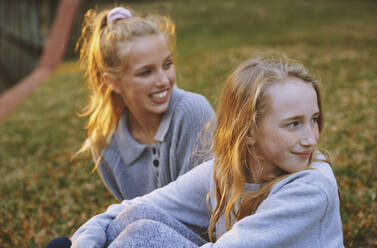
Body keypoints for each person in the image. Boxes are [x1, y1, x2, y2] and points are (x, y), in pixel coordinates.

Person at [69, 56, 344, 248]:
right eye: (294, 124)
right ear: (248, 131)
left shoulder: (311, 188)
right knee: (132, 219)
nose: (311, 138)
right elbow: (139, 206)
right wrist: (85, 240)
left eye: (314, 120)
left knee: (140, 236)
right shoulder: (225, 172)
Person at [45, 6, 214, 248]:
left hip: (200, 239)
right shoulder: (106, 142)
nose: (164, 80)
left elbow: (205, 214)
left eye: (167, 64)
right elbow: (129, 211)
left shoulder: (192, 111)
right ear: (112, 81)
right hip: (142, 232)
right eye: (146, 72)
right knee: (60, 245)